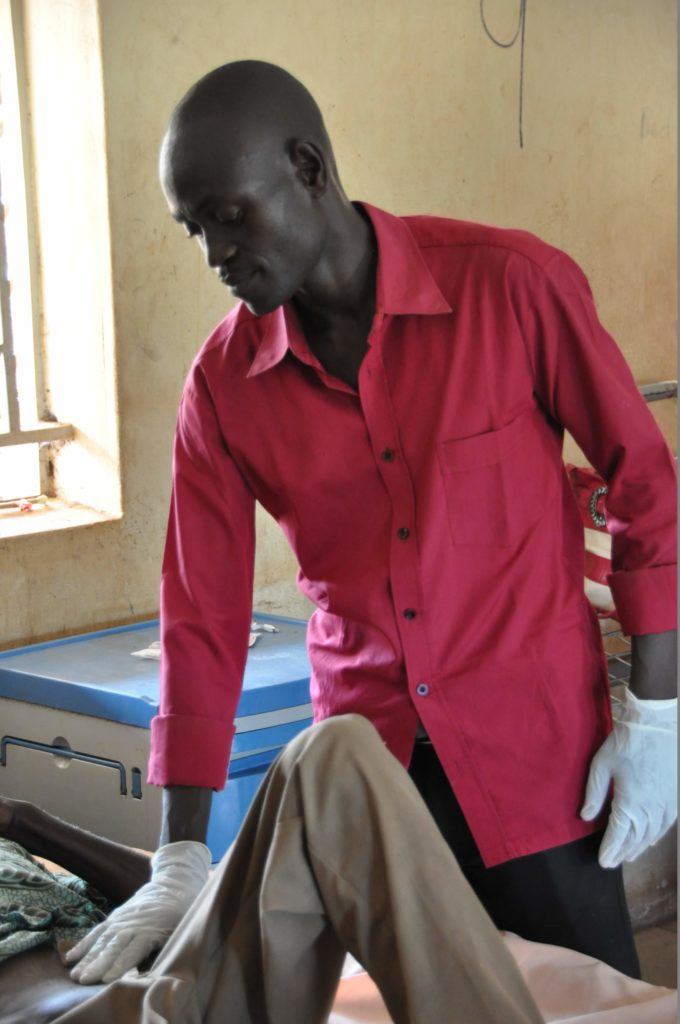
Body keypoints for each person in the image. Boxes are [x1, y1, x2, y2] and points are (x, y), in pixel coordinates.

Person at [68, 59, 677, 984]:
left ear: (309, 167)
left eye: (230, 214)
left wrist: (658, 711)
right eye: (194, 229)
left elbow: (646, 485)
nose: (213, 255)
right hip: (371, 784)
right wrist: (179, 853)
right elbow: (201, 619)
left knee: (584, 1005)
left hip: (540, 768)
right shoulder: (223, 389)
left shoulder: (512, 288)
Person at [1, 717, 546, 1024]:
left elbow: (169, 903)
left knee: (335, 750)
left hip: (179, 998)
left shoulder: (24, 844)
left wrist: (21, 820)